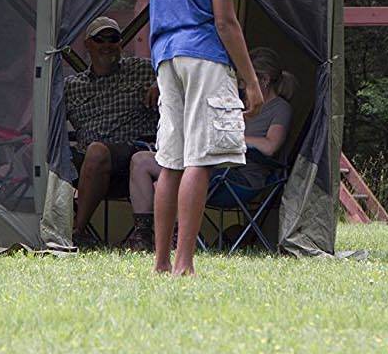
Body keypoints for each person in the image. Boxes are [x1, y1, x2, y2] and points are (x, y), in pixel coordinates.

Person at [145, 0, 263, 276]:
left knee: (169, 159)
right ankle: (184, 265)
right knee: (199, 159)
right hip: (204, 56)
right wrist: (250, 80)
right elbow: (225, 21)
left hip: (166, 55)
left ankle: (161, 262)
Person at [125, 47, 293, 251]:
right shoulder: (237, 102)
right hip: (210, 163)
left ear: (263, 80)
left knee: (171, 179)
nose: (240, 87)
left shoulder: (280, 108)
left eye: (242, 82)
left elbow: (270, 146)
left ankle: (178, 237)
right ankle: (143, 235)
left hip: (238, 176)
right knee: (141, 160)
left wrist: (232, 138)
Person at [65, 15, 158, 246]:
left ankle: (77, 231)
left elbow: (178, 74)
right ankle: (43, 225)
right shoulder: (72, 85)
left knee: (97, 151)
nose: (107, 45)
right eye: (100, 39)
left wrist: (161, 84)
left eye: (113, 39)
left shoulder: (143, 69)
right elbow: (46, 120)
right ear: (87, 44)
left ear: (121, 43)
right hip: (83, 158)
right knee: (47, 157)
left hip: (131, 153)